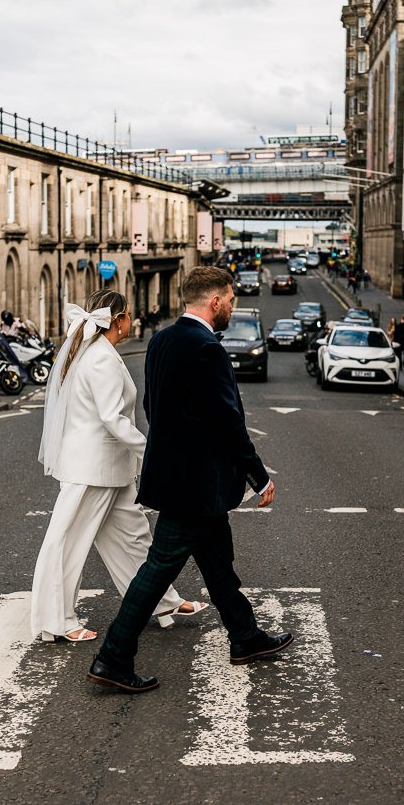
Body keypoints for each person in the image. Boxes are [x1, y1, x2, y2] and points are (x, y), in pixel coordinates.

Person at [88, 266, 290, 695]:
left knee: (217, 564)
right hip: (197, 485)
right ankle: (113, 657)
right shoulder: (207, 348)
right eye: (230, 298)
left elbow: (153, 407)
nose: (232, 305)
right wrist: (258, 476)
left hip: (179, 479)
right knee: (157, 570)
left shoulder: (161, 340)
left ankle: (245, 636)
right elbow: (228, 422)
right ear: (215, 301)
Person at [33, 290, 206, 643]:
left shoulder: (98, 353)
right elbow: (114, 419)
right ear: (118, 320)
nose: (132, 321)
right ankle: (59, 621)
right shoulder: (100, 359)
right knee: (69, 544)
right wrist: (154, 453)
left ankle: (162, 602)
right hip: (92, 470)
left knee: (134, 538)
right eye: (129, 315)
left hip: (111, 468)